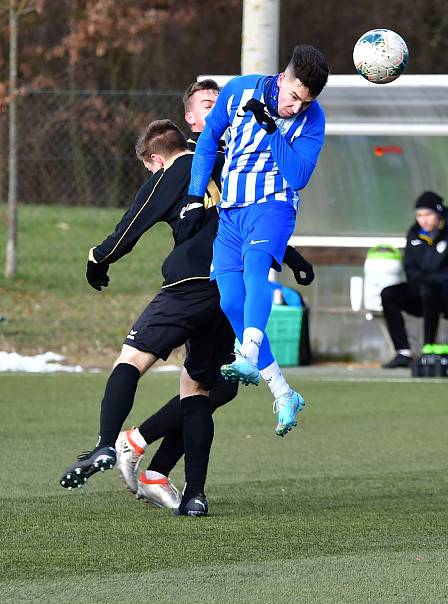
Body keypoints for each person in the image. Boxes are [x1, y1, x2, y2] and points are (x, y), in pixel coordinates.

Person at [113, 80, 314, 511]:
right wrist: (103, 256)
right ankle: (142, 448)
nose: (222, 109)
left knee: (214, 388)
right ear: (191, 118)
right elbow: (140, 218)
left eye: (221, 102)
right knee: (201, 385)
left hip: (225, 288)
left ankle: (158, 466)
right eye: (209, 105)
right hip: (193, 289)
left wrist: (290, 253)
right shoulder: (186, 162)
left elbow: (253, 211)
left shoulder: (234, 154)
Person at [59, 120, 233, 517]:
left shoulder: (173, 171)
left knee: (131, 360)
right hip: (229, 285)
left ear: (156, 158)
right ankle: (194, 495)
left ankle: (108, 442)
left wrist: (98, 259)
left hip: (188, 283)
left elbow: (131, 226)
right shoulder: (227, 163)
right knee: (200, 390)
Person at [186, 44, 329, 436]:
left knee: (255, 272)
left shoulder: (313, 120)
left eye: (306, 102)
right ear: (283, 80)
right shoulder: (240, 90)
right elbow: (209, 136)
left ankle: (247, 352)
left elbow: (298, 176)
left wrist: (273, 130)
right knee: (231, 299)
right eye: (294, 98)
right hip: (231, 211)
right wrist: (196, 196)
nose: (297, 107)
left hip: (273, 207)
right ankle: (283, 391)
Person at [381, 191, 448, 368]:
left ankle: (428, 350)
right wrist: (420, 281)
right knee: (389, 294)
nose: (423, 220)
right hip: (423, 292)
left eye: (427, 215)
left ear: (438, 214)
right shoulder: (414, 235)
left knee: (429, 289)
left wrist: (430, 280)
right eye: (419, 215)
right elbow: (410, 266)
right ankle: (403, 352)